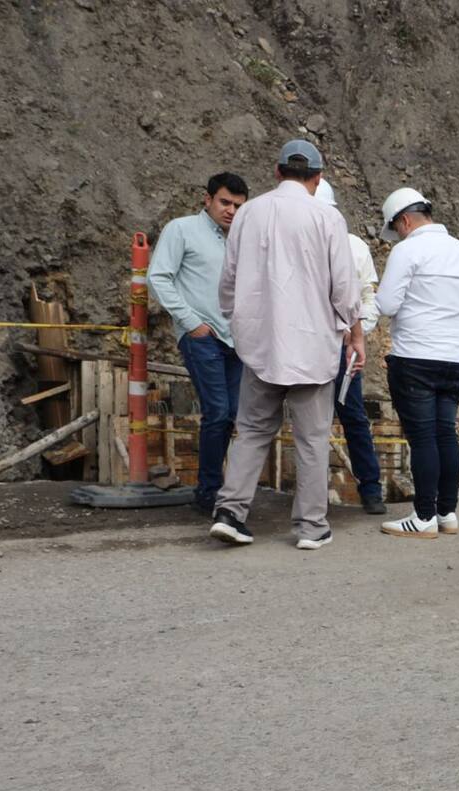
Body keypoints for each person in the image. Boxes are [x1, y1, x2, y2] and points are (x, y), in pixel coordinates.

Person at [209, 140, 364, 550]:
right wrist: (353, 330)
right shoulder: (327, 218)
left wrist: (235, 318)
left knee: (253, 430)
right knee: (312, 438)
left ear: (277, 172)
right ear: (318, 178)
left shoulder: (248, 214)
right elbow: (345, 288)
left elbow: (229, 278)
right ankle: (311, 528)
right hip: (311, 346)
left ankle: (230, 512)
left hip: (260, 345)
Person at [375, 187, 459, 539]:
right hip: (453, 361)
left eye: (396, 230)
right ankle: (446, 513)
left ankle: (423, 518)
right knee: (445, 435)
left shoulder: (408, 251)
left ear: (404, 221)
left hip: (414, 359)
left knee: (422, 440)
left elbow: (387, 304)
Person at [148, 171, 248, 515]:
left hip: (237, 340)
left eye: (237, 205)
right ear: (207, 199)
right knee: (218, 412)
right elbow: (158, 276)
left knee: (235, 415)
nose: (231, 210)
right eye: (225, 202)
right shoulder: (181, 229)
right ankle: (208, 493)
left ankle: (225, 490)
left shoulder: (240, 239)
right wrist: (191, 324)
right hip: (203, 338)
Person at [315, 179, 386, 515]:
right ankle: (310, 498)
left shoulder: (354, 247)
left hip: (343, 349)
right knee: (309, 420)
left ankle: (371, 489)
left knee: (353, 416)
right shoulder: (294, 242)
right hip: (306, 347)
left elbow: (369, 299)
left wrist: (356, 335)